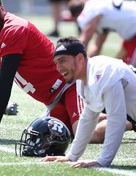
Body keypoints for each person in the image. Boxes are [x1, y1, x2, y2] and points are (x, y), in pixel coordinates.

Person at [0, 0, 86, 141]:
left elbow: (4, 81)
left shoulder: (14, 29)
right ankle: (103, 115)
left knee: (85, 134)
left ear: (1, 9)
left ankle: (124, 122)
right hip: (53, 101)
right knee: (48, 137)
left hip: (70, 86)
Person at [42, 36, 136, 167]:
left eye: (62, 61)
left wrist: (103, 161)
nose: (58, 67)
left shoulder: (103, 72)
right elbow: (88, 119)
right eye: (56, 63)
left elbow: (116, 119)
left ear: (80, 58)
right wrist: (71, 156)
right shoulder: (84, 79)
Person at [68, 0, 136, 66]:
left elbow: (84, 41)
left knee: (130, 70)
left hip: (134, 32)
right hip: (131, 35)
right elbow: (96, 48)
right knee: (120, 65)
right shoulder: (100, 10)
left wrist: (75, 66)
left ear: (76, 15)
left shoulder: (89, 12)